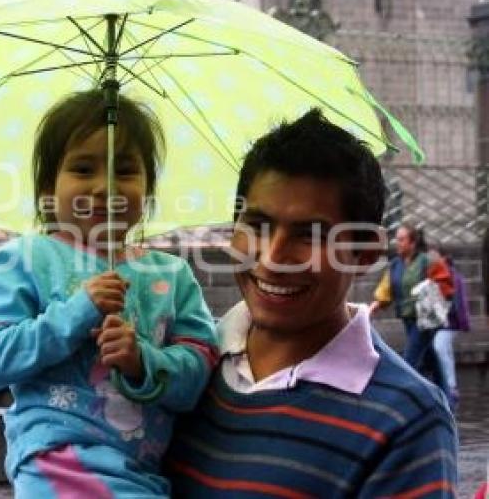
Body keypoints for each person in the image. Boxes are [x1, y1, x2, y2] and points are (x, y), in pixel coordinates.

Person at [166, 109, 457, 497]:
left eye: (312, 235)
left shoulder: (406, 422)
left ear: (366, 252)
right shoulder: (176, 367)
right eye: (256, 224)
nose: (272, 257)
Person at [0, 89, 219, 497]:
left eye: (126, 170)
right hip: (60, 462)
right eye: (83, 169)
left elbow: (199, 371)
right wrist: (77, 312)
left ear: (149, 189)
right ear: (48, 187)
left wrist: (143, 362)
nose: (104, 186)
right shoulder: (20, 261)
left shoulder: (173, 275)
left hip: (145, 471)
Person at [370, 225, 453, 382]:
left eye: (402, 239)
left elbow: (445, 285)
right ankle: (445, 396)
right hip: (408, 317)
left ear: (412, 243)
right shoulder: (396, 264)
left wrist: (429, 288)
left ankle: (400, 398)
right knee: (430, 359)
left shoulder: (428, 261)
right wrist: (376, 304)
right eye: (397, 239)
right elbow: (387, 287)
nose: (397, 243)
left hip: (425, 320)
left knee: (410, 360)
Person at [432, 247, 471, 410]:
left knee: (439, 347)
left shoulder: (451, 274)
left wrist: (462, 321)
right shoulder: (434, 272)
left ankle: (449, 384)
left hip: (450, 321)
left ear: (443, 257)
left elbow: (458, 301)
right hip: (441, 321)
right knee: (444, 349)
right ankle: (449, 385)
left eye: (434, 255)